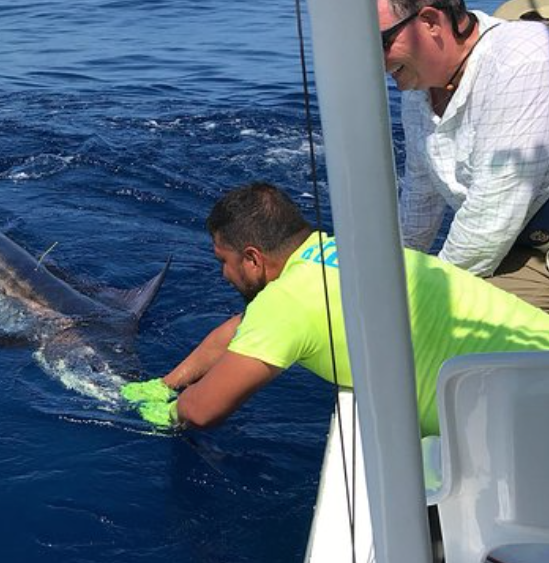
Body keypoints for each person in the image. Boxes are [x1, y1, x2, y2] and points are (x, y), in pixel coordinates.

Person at [122, 182, 549, 431]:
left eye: (224, 262)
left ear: (252, 258)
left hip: (523, 420)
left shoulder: (286, 302)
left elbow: (201, 411)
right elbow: (240, 328)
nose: (223, 276)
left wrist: (160, 412)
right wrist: (166, 382)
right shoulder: (347, 250)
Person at [375, 0, 549, 311]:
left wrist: (420, 298)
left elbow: (491, 216)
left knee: (432, 328)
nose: (376, 61)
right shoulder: (419, 88)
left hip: (524, 242)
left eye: (382, 42)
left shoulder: (522, 60)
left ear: (431, 22)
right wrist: (389, 277)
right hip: (516, 243)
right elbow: (420, 197)